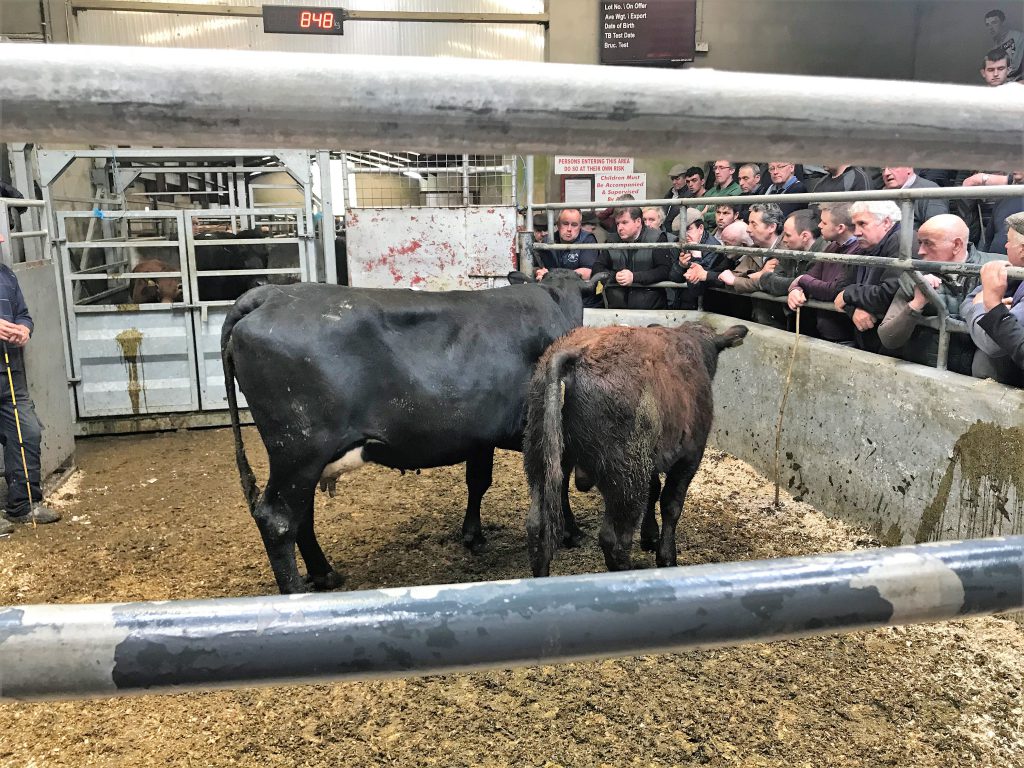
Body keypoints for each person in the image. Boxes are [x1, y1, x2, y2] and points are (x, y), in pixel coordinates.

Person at [877, 214, 999, 374]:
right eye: (919, 243)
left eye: (928, 244)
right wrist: (917, 303)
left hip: (977, 379)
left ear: (956, 245)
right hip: (927, 374)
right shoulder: (914, 276)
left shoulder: (996, 269)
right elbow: (888, 338)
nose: (920, 251)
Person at [0, 256, 60, 536]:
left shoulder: (7, 277)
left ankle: (23, 505)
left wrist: (25, 328)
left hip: (11, 373)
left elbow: (23, 313)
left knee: (28, 433)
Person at [834, 200, 912, 353]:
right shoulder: (866, 245)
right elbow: (840, 288)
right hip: (871, 341)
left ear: (886, 222)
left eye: (862, 224)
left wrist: (850, 294)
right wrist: (853, 309)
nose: (856, 232)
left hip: (894, 349)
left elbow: (888, 295)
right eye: (855, 225)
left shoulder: (902, 242)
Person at [961, 212, 1024, 384]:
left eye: (1009, 241)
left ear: (1023, 249)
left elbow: (992, 342)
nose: (1005, 245)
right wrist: (992, 309)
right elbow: (967, 302)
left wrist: (986, 304)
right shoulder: (1013, 273)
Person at [788, 203, 861, 344]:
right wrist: (797, 288)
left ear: (840, 228)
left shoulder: (858, 251)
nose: (819, 225)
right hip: (824, 330)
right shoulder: (832, 247)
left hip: (845, 335)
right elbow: (811, 275)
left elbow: (833, 290)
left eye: (824, 222)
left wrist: (801, 279)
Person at [594, 206, 673, 310]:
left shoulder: (657, 238)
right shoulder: (611, 241)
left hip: (650, 309)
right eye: (618, 223)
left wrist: (634, 277)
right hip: (617, 310)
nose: (620, 228)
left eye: (624, 222)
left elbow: (664, 270)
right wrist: (615, 276)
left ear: (638, 221)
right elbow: (597, 267)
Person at [668, 208, 720, 309]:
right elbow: (673, 278)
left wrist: (696, 257)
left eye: (689, 229)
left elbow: (697, 288)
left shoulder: (713, 247)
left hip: (707, 305)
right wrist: (680, 266)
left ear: (700, 228)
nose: (684, 235)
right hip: (683, 302)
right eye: (681, 231)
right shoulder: (679, 243)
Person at [881, 167, 948, 231]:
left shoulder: (930, 191)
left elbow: (937, 231)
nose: (886, 173)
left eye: (893, 167)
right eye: (883, 169)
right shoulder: (880, 195)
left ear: (908, 168)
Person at [984, 8, 1023, 81]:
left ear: (1003, 23)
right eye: (988, 25)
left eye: (994, 22)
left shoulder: (1018, 37)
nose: (990, 28)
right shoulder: (993, 49)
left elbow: (1015, 66)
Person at [702, 161, 742, 228]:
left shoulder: (737, 190)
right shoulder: (711, 191)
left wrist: (703, 215)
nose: (717, 172)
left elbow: (723, 216)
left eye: (721, 168)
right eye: (715, 168)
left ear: (731, 170)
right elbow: (696, 211)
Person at [663, 163, 689, 233]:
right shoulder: (670, 193)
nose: (674, 182)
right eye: (672, 179)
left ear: (685, 179)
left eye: (677, 179)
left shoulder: (689, 195)